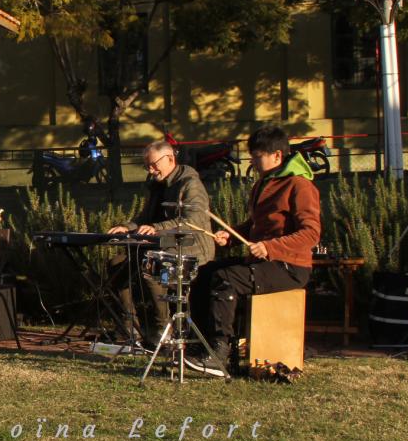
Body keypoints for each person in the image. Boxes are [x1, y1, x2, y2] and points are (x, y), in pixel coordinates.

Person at [186, 126, 320, 377]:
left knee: (226, 279)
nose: (253, 161)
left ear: (277, 156)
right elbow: (257, 226)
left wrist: (270, 247)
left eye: (257, 156)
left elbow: (311, 233)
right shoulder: (263, 184)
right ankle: (201, 346)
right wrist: (232, 236)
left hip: (290, 267)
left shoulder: (300, 186)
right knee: (204, 272)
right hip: (266, 262)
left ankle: (218, 353)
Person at [105, 141, 215, 346]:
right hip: (163, 248)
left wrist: (158, 228)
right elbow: (144, 218)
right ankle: (129, 329)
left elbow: (194, 220)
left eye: (153, 165)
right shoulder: (156, 185)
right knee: (117, 265)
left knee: (151, 266)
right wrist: (126, 227)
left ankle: (163, 329)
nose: (151, 170)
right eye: (147, 166)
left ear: (170, 159)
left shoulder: (190, 183)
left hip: (192, 252)